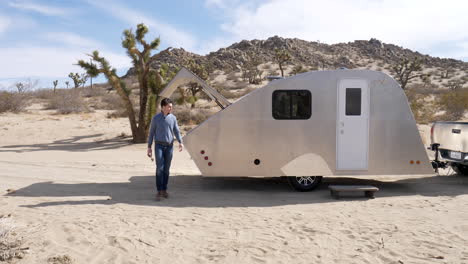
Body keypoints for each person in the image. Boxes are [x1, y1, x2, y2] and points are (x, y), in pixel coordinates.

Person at [147, 98, 183, 201]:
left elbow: (176, 131)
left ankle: (164, 190)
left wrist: (180, 142)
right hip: (158, 146)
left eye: (171, 106)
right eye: (169, 106)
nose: (171, 108)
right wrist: (149, 147)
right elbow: (151, 133)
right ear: (163, 107)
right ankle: (159, 190)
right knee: (160, 168)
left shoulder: (173, 118)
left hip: (169, 146)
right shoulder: (156, 118)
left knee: (166, 169)